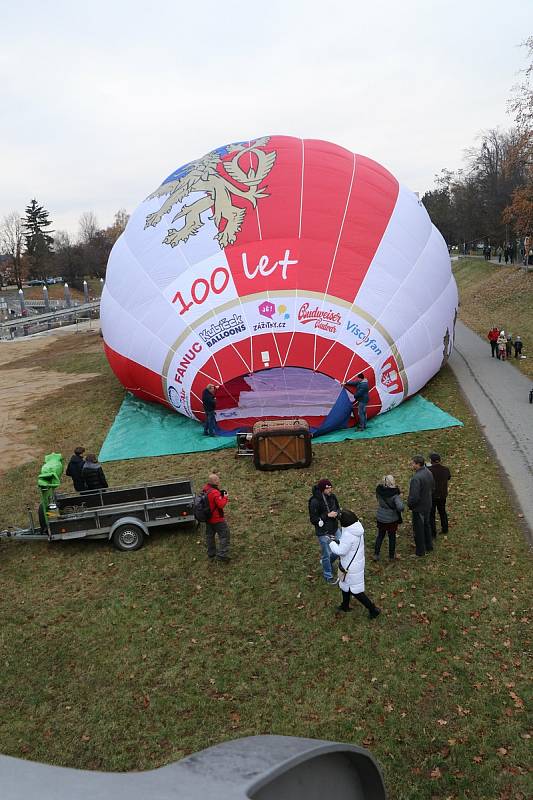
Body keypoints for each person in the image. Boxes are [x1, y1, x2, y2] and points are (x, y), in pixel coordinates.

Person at [329, 510, 381, 618]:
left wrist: (331, 543)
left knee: (356, 591)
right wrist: (338, 542)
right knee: (345, 586)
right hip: (354, 564)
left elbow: (341, 551)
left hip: (351, 568)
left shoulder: (348, 534)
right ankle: (345, 605)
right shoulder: (356, 528)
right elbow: (348, 546)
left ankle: (373, 609)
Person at [308, 479, 340, 584]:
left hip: (334, 528)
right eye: (328, 488)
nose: (330, 489)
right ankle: (328, 575)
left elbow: (337, 508)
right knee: (326, 553)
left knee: (341, 549)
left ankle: (327, 562)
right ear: (322, 489)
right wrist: (327, 515)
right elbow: (313, 519)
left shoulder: (333, 497)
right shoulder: (314, 501)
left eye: (330, 487)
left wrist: (337, 513)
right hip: (323, 532)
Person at [407, 455, 434, 557]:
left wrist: (410, 504)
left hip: (419, 508)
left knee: (418, 530)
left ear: (418, 464)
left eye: (413, 463)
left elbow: (414, 496)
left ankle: (420, 552)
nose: (411, 465)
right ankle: (429, 545)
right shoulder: (429, 472)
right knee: (427, 525)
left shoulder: (416, 478)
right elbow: (433, 487)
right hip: (428, 504)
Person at [373, 475, 404, 561]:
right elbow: (400, 507)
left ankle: (376, 554)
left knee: (380, 536)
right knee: (392, 537)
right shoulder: (394, 494)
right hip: (392, 519)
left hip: (381, 517)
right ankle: (391, 556)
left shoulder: (379, 490)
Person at [203, 472, 230, 562]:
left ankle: (211, 553)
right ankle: (222, 554)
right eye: (217, 479)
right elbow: (221, 505)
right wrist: (225, 497)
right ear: (214, 481)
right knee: (224, 535)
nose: (219, 480)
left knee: (210, 537)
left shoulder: (206, 489)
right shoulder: (214, 492)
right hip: (217, 519)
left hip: (208, 518)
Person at [428, 453, 451, 536]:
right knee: (442, 512)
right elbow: (449, 477)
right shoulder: (446, 469)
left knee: (431, 514)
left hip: (432, 496)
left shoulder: (429, 470)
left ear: (431, 461)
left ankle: (433, 532)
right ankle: (445, 529)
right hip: (442, 495)